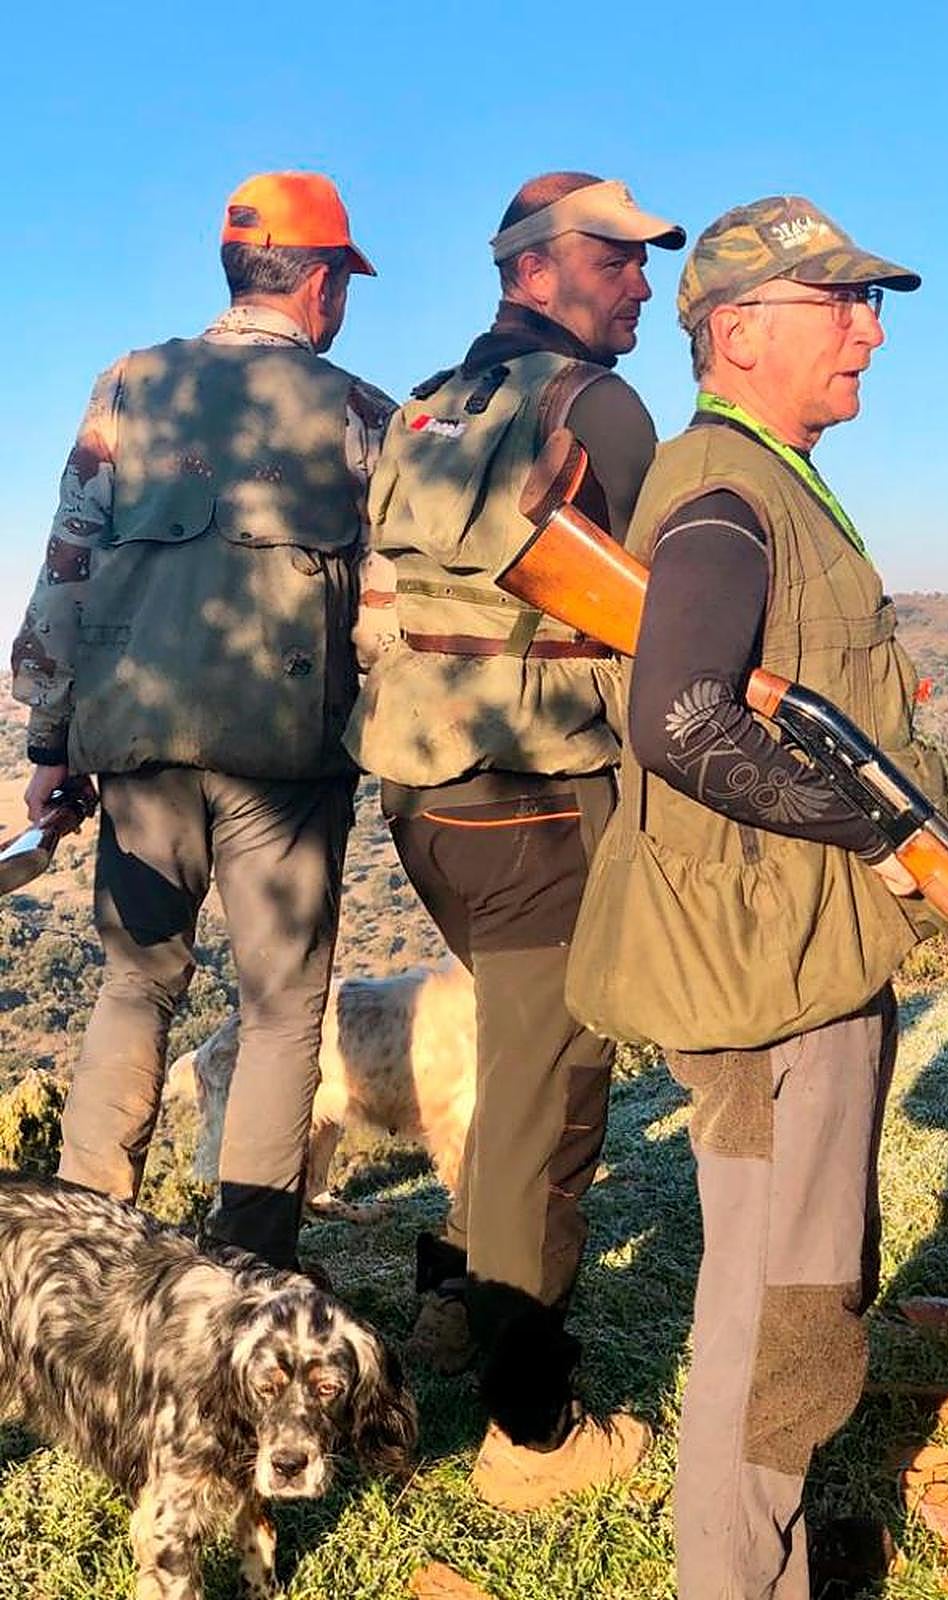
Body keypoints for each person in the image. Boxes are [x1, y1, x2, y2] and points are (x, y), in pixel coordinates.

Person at [593, 195, 948, 1597]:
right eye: (840, 304)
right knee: (777, 1315)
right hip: (774, 983)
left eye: (871, 304)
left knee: (792, 1297)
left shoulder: (761, 478)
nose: (869, 329)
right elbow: (683, 717)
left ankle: (780, 1560)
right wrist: (870, 830)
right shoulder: (725, 494)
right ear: (738, 331)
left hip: (792, 958)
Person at [344, 171, 685, 1507]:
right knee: (549, 1104)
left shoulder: (434, 397)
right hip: (537, 789)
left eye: (647, 264)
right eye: (617, 261)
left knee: (508, 1068)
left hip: (422, 793)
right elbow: (674, 608)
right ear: (535, 271)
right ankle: (529, 1431)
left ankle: (450, 1302)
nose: (642, 285)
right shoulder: (594, 406)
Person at [10, 171, 396, 1270]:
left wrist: (51, 742)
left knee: (133, 987)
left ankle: (81, 1265)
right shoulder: (362, 415)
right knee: (281, 1012)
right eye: (343, 282)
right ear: (318, 282)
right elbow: (388, 615)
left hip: (135, 748)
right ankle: (247, 1275)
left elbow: (67, 570)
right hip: (286, 760)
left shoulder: (131, 387)